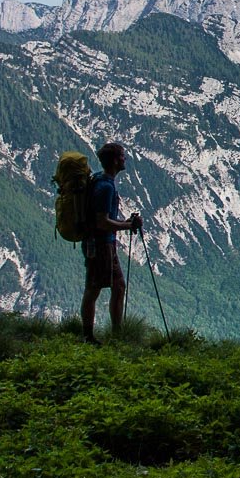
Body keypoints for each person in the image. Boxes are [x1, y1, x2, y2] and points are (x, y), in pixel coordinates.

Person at [81, 141, 142, 344]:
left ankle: (90, 335)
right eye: (123, 156)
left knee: (97, 287)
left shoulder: (99, 180)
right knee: (113, 287)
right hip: (102, 245)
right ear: (116, 161)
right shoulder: (106, 187)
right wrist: (128, 225)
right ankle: (113, 335)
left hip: (95, 243)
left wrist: (125, 223)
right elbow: (102, 221)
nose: (125, 159)